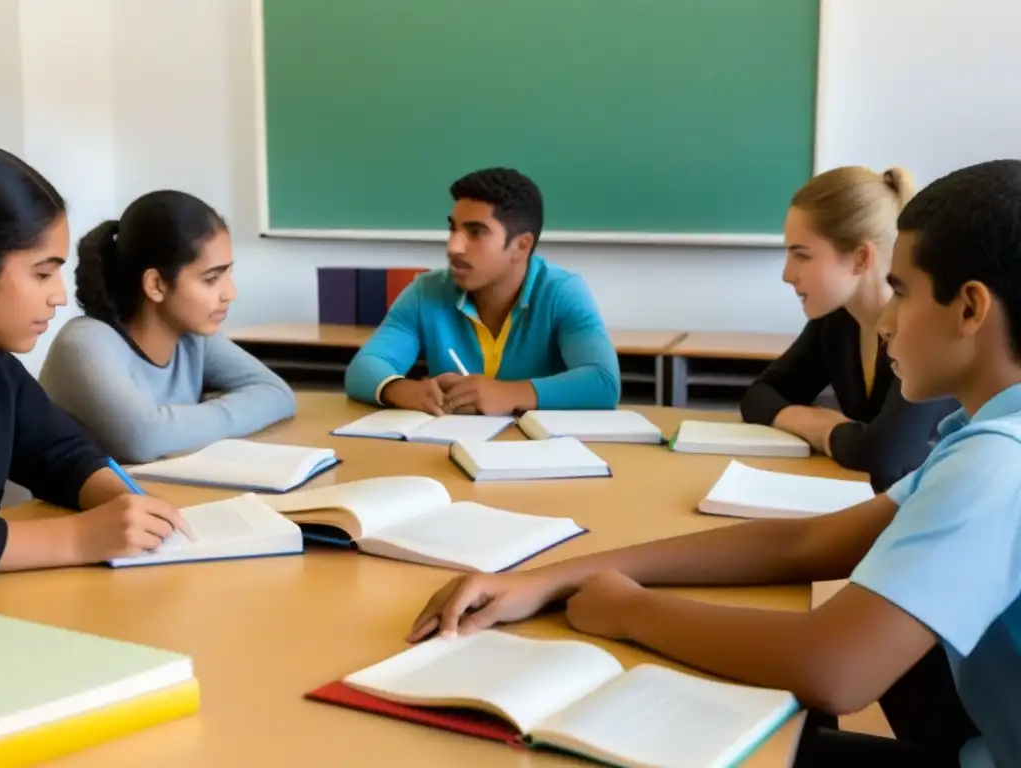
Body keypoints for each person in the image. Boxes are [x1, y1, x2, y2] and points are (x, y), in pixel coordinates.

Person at [408, 160, 1021, 766]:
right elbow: (809, 543)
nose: (885, 321)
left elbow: (834, 670)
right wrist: (548, 578)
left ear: (970, 309)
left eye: (903, 293)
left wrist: (630, 611)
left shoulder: (996, 461)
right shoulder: (983, 431)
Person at [0, 148, 190, 572]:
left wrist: (123, 499)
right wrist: (79, 538)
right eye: (42, 273)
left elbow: (58, 452)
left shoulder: (1, 370)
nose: (59, 295)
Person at [38, 190, 297, 464]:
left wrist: (178, 423)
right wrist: (214, 413)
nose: (230, 293)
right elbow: (144, 438)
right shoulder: (84, 343)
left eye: (228, 273)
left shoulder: (194, 337)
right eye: (211, 279)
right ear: (156, 285)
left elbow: (277, 393)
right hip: (69, 507)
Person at [741, 166, 957, 493]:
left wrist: (830, 431)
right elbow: (758, 396)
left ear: (860, 259)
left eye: (802, 255)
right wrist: (820, 423)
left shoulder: (924, 331)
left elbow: (886, 456)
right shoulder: (838, 320)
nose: (787, 274)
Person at [344, 167, 620, 415]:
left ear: (522, 245)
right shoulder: (426, 291)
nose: (454, 247)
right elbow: (364, 368)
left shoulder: (562, 292)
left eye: (476, 232)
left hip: (542, 456)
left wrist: (508, 393)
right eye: (453, 229)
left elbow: (603, 382)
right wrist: (404, 390)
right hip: (447, 455)